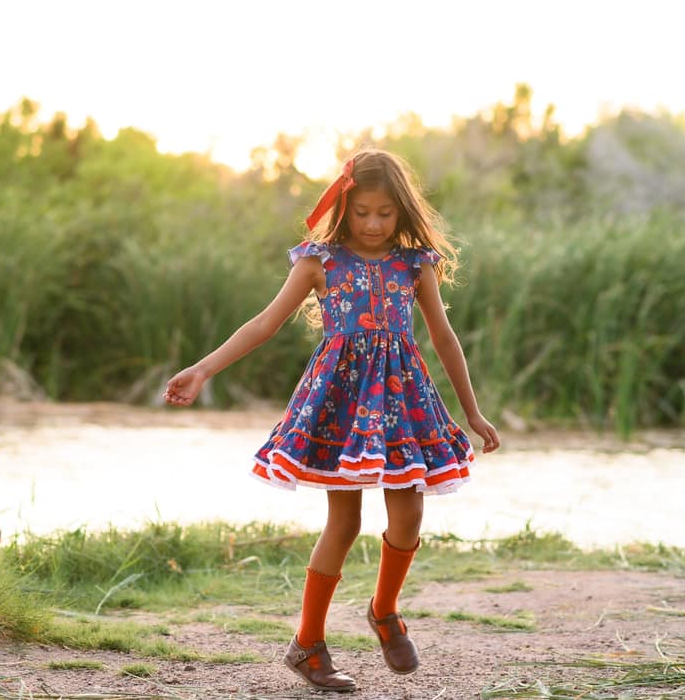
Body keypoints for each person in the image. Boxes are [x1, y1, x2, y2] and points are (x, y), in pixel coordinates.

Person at [164, 149, 500, 692]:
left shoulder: (416, 264)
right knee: (342, 524)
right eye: (362, 212)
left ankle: (384, 611)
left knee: (409, 514)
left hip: (400, 402)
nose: (372, 224)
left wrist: (473, 411)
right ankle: (308, 644)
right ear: (345, 208)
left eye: (385, 214)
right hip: (339, 405)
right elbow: (264, 324)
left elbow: (442, 336)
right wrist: (202, 370)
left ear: (402, 212)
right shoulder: (319, 260)